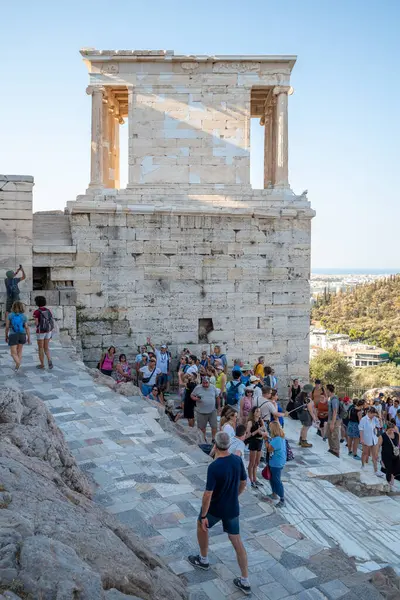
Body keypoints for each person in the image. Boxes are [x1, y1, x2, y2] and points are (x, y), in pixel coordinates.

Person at [188, 431, 250, 596]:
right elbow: (244, 482)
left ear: (215, 445)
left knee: (201, 526)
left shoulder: (214, 467)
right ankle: (245, 580)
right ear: (229, 445)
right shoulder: (237, 460)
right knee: (236, 541)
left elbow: (208, 494)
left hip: (215, 508)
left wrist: (203, 516)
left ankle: (203, 559)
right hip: (232, 508)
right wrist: (235, 495)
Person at [264, 421, 287, 507]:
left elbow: (269, 449)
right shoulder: (279, 437)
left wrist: (265, 439)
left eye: (270, 428)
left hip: (276, 463)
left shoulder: (277, 439)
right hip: (275, 462)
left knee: (277, 480)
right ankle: (274, 493)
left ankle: (282, 499)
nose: (269, 429)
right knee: (272, 478)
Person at [191, 376, 221, 441]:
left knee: (214, 426)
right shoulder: (198, 387)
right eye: (203, 383)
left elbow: (217, 397)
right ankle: (203, 439)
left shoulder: (213, 387)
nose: (205, 384)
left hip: (212, 411)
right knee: (202, 428)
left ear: (209, 382)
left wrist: (219, 407)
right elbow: (192, 395)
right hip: (201, 412)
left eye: (206, 383)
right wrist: (195, 398)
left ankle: (213, 439)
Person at [5, 300, 30, 371]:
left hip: (13, 335)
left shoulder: (10, 315)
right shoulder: (24, 316)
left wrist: (6, 335)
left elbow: (7, 327)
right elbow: (27, 327)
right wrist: (29, 338)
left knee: (13, 353)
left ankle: (18, 363)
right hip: (22, 334)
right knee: (19, 351)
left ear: (13, 307)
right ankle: (17, 366)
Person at [359, 407, 384, 477]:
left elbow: (381, 426)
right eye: (373, 414)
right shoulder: (363, 419)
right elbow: (361, 429)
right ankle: (363, 465)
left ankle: (376, 470)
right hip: (366, 438)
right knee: (365, 453)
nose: (374, 416)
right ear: (369, 413)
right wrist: (361, 439)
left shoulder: (375, 419)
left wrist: (380, 418)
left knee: (375, 455)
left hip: (374, 438)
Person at [246, 406, 267, 488]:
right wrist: (257, 431)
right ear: (253, 413)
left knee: (257, 462)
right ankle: (251, 480)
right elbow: (247, 435)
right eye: (257, 411)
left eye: (259, 411)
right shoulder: (250, 422)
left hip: (260, 442)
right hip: (253, 442)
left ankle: (255, 478)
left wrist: (262, 427)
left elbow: (264, 431)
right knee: (252, 462)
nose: (259, 413)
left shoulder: (260, 421)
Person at [33, 296, 55, 370]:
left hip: (40, 332)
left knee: (40, 348)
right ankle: (49, 360)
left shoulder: (36, 312)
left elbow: (36, 323)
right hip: (48, 331)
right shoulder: (48, 310)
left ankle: (42, 364)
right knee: (46, 348)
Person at [378, 422, 400, 489]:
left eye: (392, 429)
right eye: (390, 430)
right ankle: (389, 483)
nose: (391, 431)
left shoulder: (396, 435)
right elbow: (378, 446)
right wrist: (378, 456)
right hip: (386, 456)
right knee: (389, 469)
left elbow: (398, 445)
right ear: (386, 429)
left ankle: (392, 476)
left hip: (395, 455)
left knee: (396, 468)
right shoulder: (382, 436)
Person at [326, 384, 341, 458]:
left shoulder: (334, 399)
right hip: (330, 419)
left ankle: (336, 450)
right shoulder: (330, 398)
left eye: (326, 389)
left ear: (328, 390)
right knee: (329, 434)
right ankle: (331, 448)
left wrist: (332, 423)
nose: (325, 391)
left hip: (334, 420)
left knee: (334, 435)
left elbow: (335, 411)